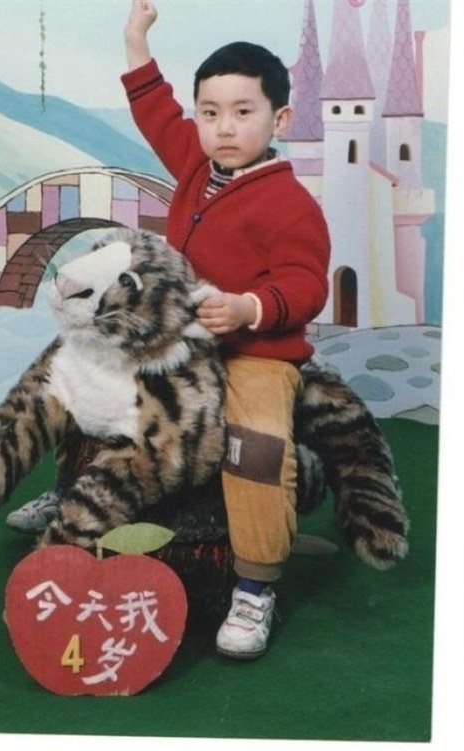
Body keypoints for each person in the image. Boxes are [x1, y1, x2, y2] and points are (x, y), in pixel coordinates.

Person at [121, 0, 330, 659]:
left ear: (279, 120)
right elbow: (155, 109)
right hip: (183, 343)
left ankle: (255, 584)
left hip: (258, 355)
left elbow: (307, 284)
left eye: (243, 112)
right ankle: (76, 496)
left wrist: (248, 308)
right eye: (209, 113)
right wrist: (136, 39)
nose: (224, 127)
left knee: (258, 445)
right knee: (89, 375)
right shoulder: (194, 163)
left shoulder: (292, 203)